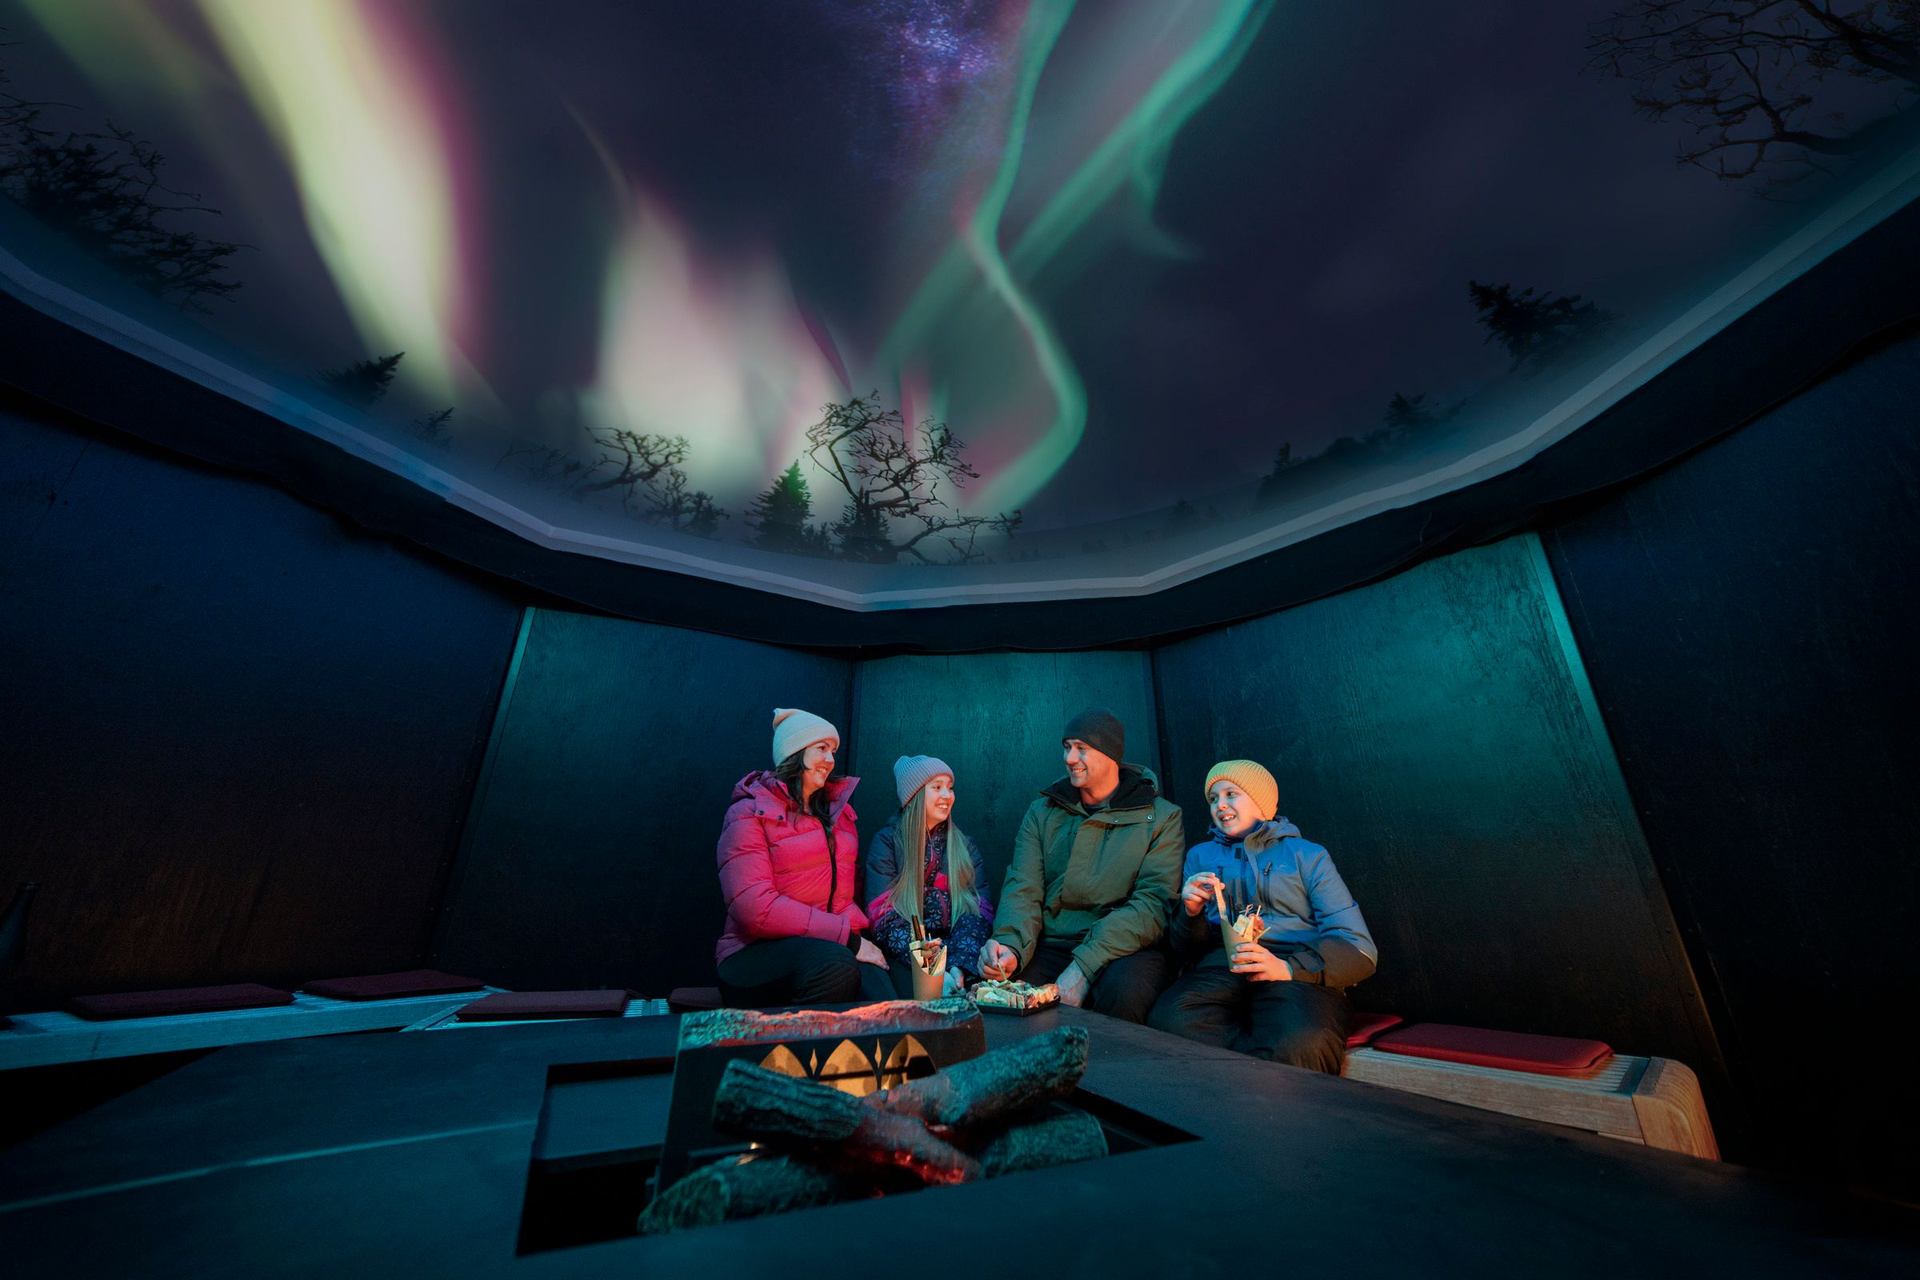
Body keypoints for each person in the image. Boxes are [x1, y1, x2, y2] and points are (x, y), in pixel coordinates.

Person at [1148, 759, 1376, 1072]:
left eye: (1231, 794)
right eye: (1213, 799)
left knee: (1302, 1041)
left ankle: (1269, 1111)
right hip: (1223, 965)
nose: (1220, 805)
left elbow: (1359, 948)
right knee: (1169, 1019)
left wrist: (1288, 967)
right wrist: (1190, 912)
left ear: (1261, 801)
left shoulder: (1307, 855)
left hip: (1295, 966)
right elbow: (1184, 949)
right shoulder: (1200, 856)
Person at [976, 709, 1183, 1023]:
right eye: (1066, 747)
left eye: (1081, 748)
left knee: (1126, 993)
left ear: (1110, 754)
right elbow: (1023, 887)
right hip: (1052, 941)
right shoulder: (1042, 812)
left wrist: (1083, 967)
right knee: (1007, 999)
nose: (1069, 758)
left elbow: (1152, 906)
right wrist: (1010, 946)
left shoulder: (1161, 818)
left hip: (1124, 948)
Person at [714, 707, 892, 1007]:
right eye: (821, 748)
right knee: (834, 967)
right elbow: (755, 907)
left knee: (886, 999)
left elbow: (842, 903)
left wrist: (867, 942)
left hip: (827, 946)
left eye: (833, 751)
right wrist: (848, 940)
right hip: (751, 954)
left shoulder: (840, 819)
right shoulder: (748, 813)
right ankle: (785, 1051)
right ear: (795, 753)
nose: (831, 760)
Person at [864, 755, 994, 998]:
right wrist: (932, 966)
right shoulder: (887, 843)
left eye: (950, 787)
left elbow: (979, 911)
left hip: (958, 958)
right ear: (914, 796)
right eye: (936, 787)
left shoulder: (964, 847)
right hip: (905, 954)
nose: (947, 795)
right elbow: (882, 917)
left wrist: (956, 965)